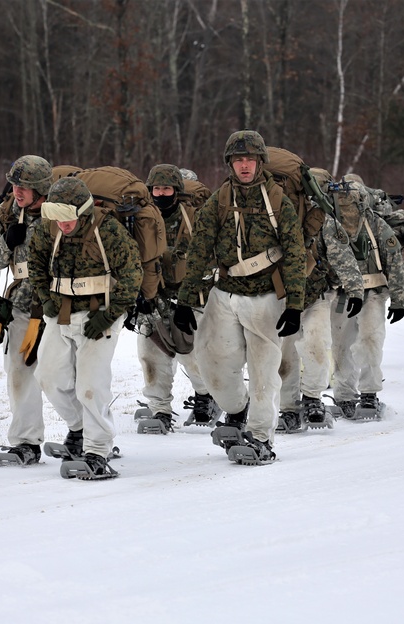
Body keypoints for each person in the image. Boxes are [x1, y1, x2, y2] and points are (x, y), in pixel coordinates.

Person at [173, 129, 307, 465]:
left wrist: (294, 304)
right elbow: (199, 248)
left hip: (266, 297)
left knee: (264, 372)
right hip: (224, 292)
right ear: (229, 163)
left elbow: (294, 252)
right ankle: (237, 409)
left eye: (249, 159)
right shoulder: (218, 200)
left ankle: (261, 437)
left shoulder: (278, 201)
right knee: (209, 359)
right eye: (238, 160)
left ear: (260, 162)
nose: (244, 165)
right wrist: (186, 300)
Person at [28, 177, 142, 479]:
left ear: (83, 211)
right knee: (48, 377)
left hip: (100, 314)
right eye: (58, 217)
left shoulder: (107, 230)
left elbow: (132, 273)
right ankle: (79, 430)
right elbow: (35, 260)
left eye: (69, 218)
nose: (63, 224)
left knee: (91, 385)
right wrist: (44, 295)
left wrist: (111, 314)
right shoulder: (48, 226)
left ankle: (97, 451)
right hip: (61, 312)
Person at [0, 155, 52, 466]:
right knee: (19, 373)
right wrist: (7, 243)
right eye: (15, 184)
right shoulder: (6, 212)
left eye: (25, 186)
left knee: (67, 375)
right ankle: (26, 443)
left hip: (59, 305)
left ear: (41, 188)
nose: (17, 191)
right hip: (21, 304)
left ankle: (88, 438)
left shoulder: (60, 211)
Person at [133, 163, 218, 433]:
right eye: (156, 188)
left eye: (166, 188)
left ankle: (208, 397)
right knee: (149, 354)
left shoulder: (194, 217)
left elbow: (206, 256)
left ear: (177, 190)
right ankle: (160, 410)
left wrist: (189, 296)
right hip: (153, 295)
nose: (161, 193)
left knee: (192, 355)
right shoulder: (141, 217)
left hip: (191, 295)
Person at [277, 203, 364, 432]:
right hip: (281, 298)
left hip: (316, 295)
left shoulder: (322, 221)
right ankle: (287, 407)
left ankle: (312, 398)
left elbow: (342, 256)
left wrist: (355, 290)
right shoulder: (273, 215)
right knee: (284, 355)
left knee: (316, 344)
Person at [327, 173, 404, 419]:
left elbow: (394, 262)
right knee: (341, 346)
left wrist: (398, 299)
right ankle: (344, 394)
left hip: (373, 292)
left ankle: (369, 393)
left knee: (370, 341)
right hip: (340, 294)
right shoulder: (331, 222)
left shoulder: (376, 225)